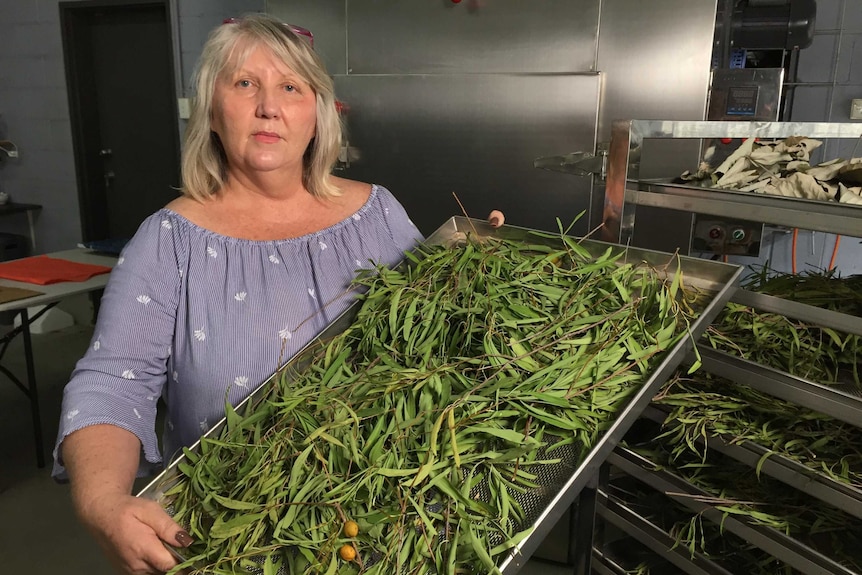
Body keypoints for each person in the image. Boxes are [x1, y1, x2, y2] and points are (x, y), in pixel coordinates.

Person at [52, 13, 504, 575]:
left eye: (291, 86)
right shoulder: (169, 241)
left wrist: (485, 277)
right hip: (233, 543)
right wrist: (103, 501)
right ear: (211, 110)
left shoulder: (378, 213)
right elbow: (112, 384)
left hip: (382, 530)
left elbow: (432, 335)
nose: (269, 106)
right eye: (245, 84)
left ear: (316, 113)